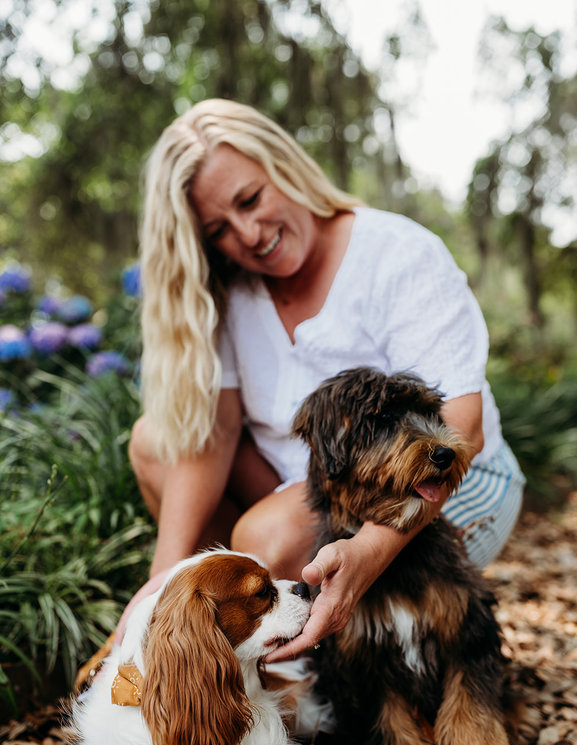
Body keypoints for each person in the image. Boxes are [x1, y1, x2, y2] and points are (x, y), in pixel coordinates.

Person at [124, 98, 525, 663]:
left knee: (272, 537)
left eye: (250, 199)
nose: (249, 232)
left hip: (452, 483)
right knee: (154, 443)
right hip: (309, 488)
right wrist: (161, 584)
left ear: (283, 166)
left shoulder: (398, 254)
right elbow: (213, 435)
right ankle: (235, 649)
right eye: (219, 228)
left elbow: (460, 430)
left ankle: (310, 685)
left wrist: (364, 550)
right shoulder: (232, 292)